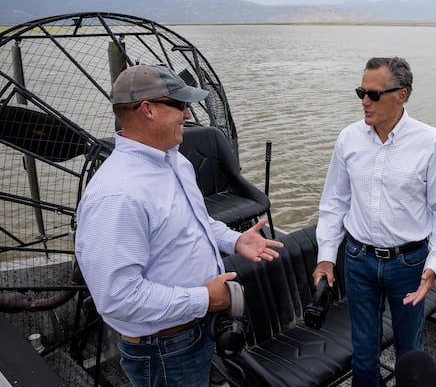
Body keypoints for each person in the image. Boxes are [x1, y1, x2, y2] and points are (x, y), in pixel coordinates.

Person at [75, 64, 283, 387]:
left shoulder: (175, 160)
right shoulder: (117, 194)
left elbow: (195, 223)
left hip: (195, 328)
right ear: (148, 110)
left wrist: (234, 241)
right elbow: (118, 297)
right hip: (163, 349)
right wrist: (206, 299)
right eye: (181, 105)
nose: (188, 115)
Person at [313, 57, 436, 387]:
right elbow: (334, 203)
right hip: (357, 260)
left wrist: (434, 266)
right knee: (363, 350)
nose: (365, 101)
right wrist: (326, 257)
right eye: (361, 92)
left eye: (374, 94)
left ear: (402, 95)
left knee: (410, 351)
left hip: (410, 265)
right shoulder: (348, 139)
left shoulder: (429, 141)